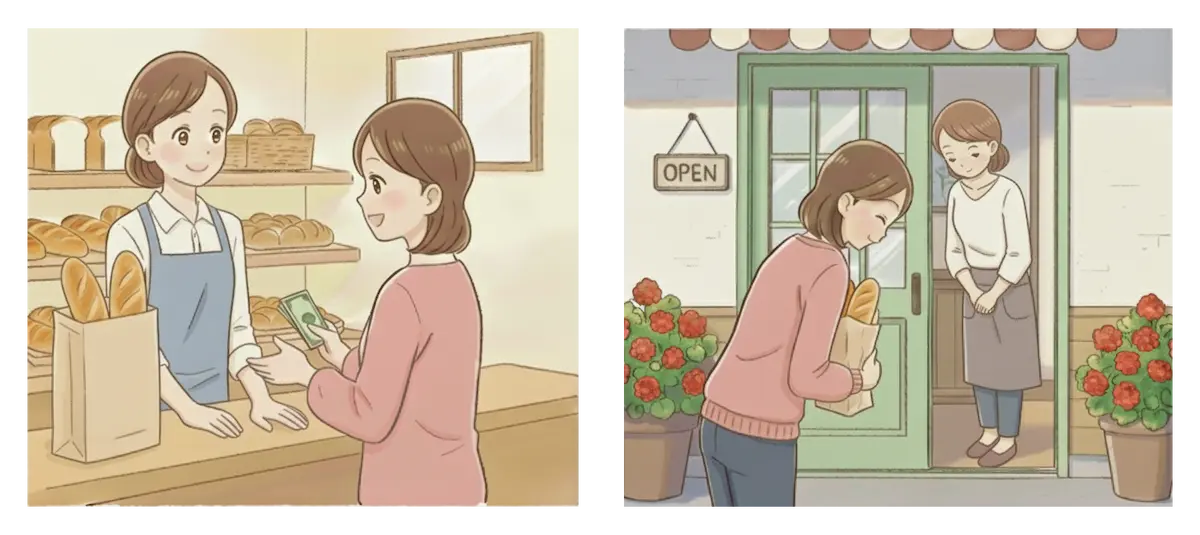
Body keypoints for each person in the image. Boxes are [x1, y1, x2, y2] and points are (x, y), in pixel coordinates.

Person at [247, 99, 487, 507]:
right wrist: (341, 354)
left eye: (377, 184)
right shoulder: (457, 280)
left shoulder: (403, 294)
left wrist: (306, 375)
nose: (362, 199)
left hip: (405, 490)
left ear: (430, 197)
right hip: (458, 484)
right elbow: (407, 381)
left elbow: (369, 416)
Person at [699, 139, 910, 512]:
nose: (881, 235)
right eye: (881, 217)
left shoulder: (791, 250)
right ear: (847, 203)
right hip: (759, 436)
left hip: (716, 423)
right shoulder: (830, 267)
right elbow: (806, 378)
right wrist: (861, 378)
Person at [106, 51, 309, 438]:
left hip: (218, 403)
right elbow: (134, 346)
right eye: (183, 135)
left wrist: (259, 396)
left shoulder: (229, 228)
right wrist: (187, 410)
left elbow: (238, 331)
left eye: (215, 134)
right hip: (147, 415)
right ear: (146, 145)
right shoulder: (130, 233)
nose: (203, 149)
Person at [935, 99, 1039, 468]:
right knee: (979, 367)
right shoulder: (956, 194)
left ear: (992, 148)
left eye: (971, 151)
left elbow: (1020, 251)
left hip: (1009, 288)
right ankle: (988, 432)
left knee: (1008, 369)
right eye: (951, 155)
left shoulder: (1008, 191)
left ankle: (1008, 437)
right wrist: (972, 288)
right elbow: (953, 250)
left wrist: (994, 291)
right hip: (973, 287)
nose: (961, 162)